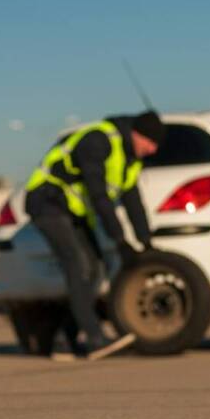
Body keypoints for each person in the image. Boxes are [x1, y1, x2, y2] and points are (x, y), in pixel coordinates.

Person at [24, 110, 165, 359]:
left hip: (72, 210)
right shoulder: (98, 140)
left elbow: (133, 202)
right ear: (137, 134)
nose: (153, 150)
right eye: (151, 142)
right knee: (78, 266)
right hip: (47, 201)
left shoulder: (130, 160)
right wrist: (120, 240)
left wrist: (146, 242)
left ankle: (63, 340)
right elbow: (98, 195)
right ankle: (95, 338)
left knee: (96, 268)